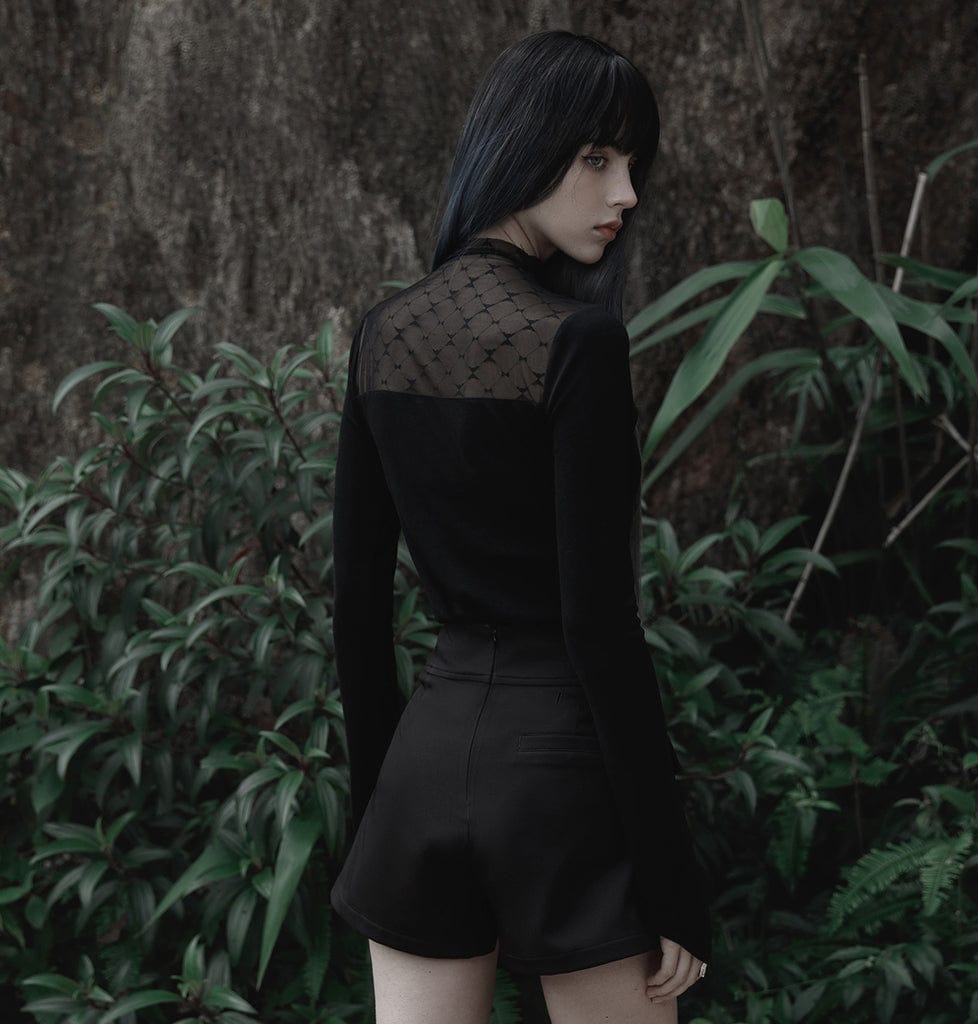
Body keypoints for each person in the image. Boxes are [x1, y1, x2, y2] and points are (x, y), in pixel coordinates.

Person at [329, 29, 712, 1024]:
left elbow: (356, 608)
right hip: (561, 775)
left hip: (422, 766)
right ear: (520, 146)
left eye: (632, 163)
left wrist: (377, 822)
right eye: (597, 158)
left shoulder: (382, 333)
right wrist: (668, 878)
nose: (625, 192)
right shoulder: (577, 340)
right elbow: (598, 624)